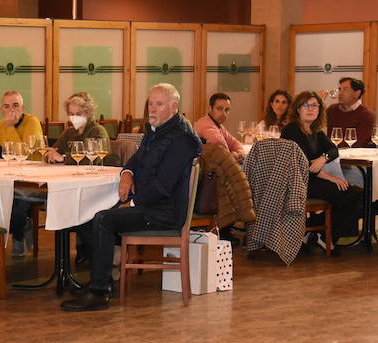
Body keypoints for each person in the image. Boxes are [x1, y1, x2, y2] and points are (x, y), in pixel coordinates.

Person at [61, 83, 201, 312]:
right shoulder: (156, 129)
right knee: (87, 213)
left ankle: (99, 293)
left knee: (103, 219)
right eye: (150, 103)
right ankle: (103, 279)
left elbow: (163, 186)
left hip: (165, 212)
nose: (152, 109)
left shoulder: (182, 138)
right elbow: (136, 160)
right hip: (148, 203)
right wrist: (127, 173)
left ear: (174, 107)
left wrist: (133, 202)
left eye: (159, 104)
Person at [44, 91, 120, 265]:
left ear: (88, 113)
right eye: (71, 114)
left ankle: (96, 255)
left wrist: (64, 158)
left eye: (79, 114)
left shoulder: (98, 131)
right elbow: (54, 151)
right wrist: (51, 154)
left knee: (72, 207)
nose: (74, 117)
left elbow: (94, 157)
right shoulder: (69, 133)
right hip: (74, 184)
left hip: (96, 188)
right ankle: (83, 251)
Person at [281, 90, 363, 245]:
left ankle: (317, 231)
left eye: (314, 105)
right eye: (306, 105)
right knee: (346, 193)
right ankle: (326, 235)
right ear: (298, 109)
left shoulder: (315, 131)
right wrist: (332, 178)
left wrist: (322, 158)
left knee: (352, 193)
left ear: (319, 109)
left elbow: (333, 150)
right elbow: (303, 165)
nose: (310, 108)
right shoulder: (292, 130)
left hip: (311, 179)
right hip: (295, 183)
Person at [325, 77, 376, 147]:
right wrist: (319, 102)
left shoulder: (366, 114)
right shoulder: (332, 110)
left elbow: (358, 142)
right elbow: (315, 126)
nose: (340, 93)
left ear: (357, 93)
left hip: (357, 155)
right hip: (333, 154)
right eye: (339, 89)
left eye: (345, 89)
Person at [193, 92, 244, 160]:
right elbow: (226, 158)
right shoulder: (207, 126)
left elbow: (236, 143)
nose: (224, 114)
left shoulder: (216, 124)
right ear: (210, 108)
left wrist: (238, 153)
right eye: (219, 109)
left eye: (227, 110)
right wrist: (236, 155)